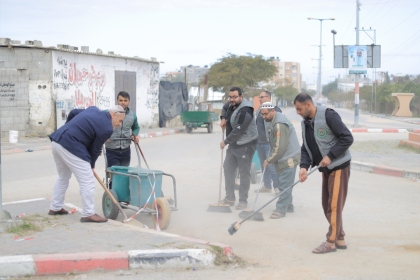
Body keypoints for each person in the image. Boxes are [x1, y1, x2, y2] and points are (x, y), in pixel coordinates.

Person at [293, 92, 353, 254]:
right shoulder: (306, 123)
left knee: (333, 206)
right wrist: (304, 166)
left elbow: (347, 138)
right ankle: (340, 237)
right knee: (326, 204)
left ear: (308, 105)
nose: (298, 112)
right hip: (325, 169)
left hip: (339, 166)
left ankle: (330, 241)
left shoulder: (328, 116)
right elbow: (305, 147)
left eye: (299, 109)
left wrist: (330, 156)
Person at [48, 105, 126, 223]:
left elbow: (73, 112)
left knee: (63, 177)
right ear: (114, 114)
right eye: (120, 121)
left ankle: (55, 207)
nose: (120, 124)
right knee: (87, 179)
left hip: (57, 140)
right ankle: (88, 213)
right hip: (70, 145)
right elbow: (94, 150)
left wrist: (68, 128)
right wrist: (91, 165)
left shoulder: (93, 109)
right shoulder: (107, 129)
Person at [259, 102, 300, 219]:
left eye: (266, 114)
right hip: (286, 156)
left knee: (284, 184)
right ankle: (289, 206)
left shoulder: (279, 124)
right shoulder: (273, 120)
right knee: (286, 182)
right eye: (262, 115)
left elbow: (279, 147)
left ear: (272, 111)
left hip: (289, 157)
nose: (264, 117)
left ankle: (281, 209)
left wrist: (269, 159)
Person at [219, 87, 258, 210]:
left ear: (241, 96)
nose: (232, 99)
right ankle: (230, 197)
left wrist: (225, 142)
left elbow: (239, 130)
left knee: (244, 172)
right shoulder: (231, 105)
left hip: (246, 144)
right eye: (230, 97)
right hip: (234, 144)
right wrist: (223, 118)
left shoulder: (246, 110)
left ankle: (243, 201)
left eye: (235, 97)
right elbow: (225, 108)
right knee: (228, 168)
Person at [255, 90, 282, 194]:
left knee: (271, 165)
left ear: (268, 98)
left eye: (262, 97)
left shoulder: (274, 110)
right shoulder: (259, 110)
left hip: (269, 142)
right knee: (263, 165)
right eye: (259, 97)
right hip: (259, 142)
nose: (260, 99)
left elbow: (279, 125)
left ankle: (277, 187)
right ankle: (267, 185)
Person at [105, 91, 140, 171]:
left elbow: (136, 127)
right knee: (115, 173)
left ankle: (122, 183)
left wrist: (134, 135)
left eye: (125, 100)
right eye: (120, 100)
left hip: (126, 150)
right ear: (117, 101)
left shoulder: (132, 115)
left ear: (129, 101)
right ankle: (111, 184)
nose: (123, 103)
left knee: (124, 173)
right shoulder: (109, 113)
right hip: (112, 150)